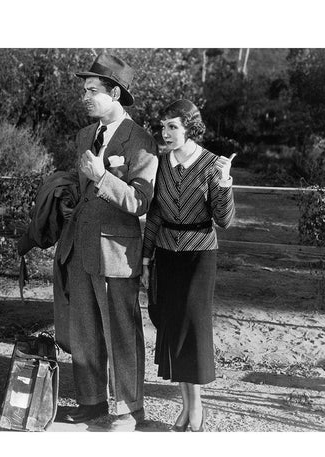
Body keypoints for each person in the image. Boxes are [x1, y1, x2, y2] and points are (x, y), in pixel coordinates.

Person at [57, 53, 158, 431]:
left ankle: (130, 409)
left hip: (117, 252)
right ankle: (91, 402)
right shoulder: (85, 135)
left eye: (93, 90)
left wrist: (102, 177)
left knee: (121, 330)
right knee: (83, 328)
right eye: (84, 89)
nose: (85, 96)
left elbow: (140, 200)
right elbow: (83, 187)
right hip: (81, 247)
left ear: (114, 93)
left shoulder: (141, 139)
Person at [141, 99, 235, 432]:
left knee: (192, 332)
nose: (165, 133)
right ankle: (186, 407)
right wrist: (145, 257)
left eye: (173, 126)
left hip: (199, 257)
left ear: (190, 128)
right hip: (166, 254)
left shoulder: (211, 164)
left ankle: (196, 409)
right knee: (172, 330)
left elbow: (223, 221)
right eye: (163, 126)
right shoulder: (160, 164)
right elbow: (154, 215)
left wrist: (224, 183)